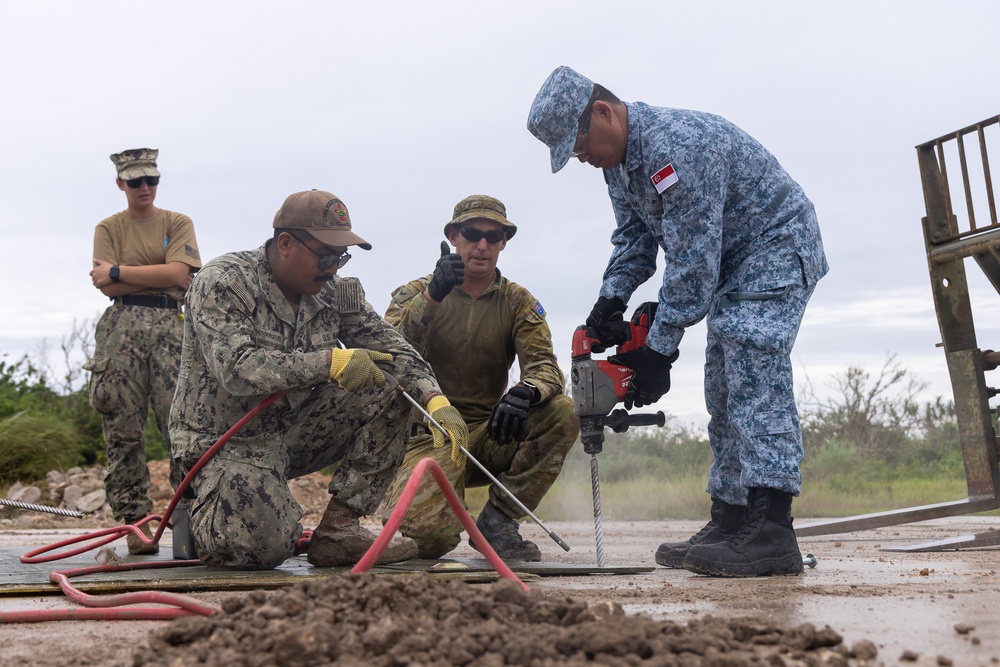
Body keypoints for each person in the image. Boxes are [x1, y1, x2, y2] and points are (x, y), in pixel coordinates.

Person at [527, 67, 829, 577]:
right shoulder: (618, 167)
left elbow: (692, 260)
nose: (580, 159)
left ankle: (773, 530)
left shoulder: (678, 145)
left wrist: (658, 350)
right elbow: (634, 241)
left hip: (775, 245)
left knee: (751, 364)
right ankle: (733, 518)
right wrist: (610, 301)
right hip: (732, 262)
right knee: (721, 381)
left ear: (602, 111)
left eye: (577, 144)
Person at [167, 189, 469, 570]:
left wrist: (434, 399)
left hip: (290, 432)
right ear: (286, 243)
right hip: (221, 443)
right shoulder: (225, 281)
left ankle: (339, 532)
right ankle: (205, 512)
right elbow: (237, 368)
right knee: (264, 548)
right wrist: (331, 363)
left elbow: (394, 350)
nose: (333, 268)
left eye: (341, 257)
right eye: (325, 255)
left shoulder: (335, 292)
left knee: (392, 384)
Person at [377, 194, 579, 562]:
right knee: (429, 542)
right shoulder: (413, 293)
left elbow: (545, 367)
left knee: (562, 412)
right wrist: (432, 297)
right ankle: (416, 506)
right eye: (472, 233)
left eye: (494, 236)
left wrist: (527, 391)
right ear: (454, 236)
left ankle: (498, 523)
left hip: (490, 436)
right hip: (427, 437)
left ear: (504, 242)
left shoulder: (518, 301)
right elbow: (389, 355)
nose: (482, 246)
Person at [86, 148, 202, 555]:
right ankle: (135, 526)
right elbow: (107, 289)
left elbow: (180, 274)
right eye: (135, 181)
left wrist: (119, 271)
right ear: (121, 183)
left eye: (151, 179)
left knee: (182, 427)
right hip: (122, 330)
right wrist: (146, 276)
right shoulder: (109, 228)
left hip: (174, 327)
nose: (145, 188)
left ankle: (192, 528)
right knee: (123, 429)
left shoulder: (177, 222)